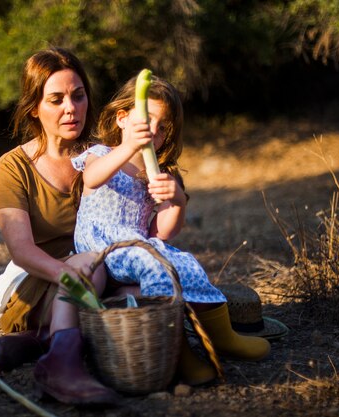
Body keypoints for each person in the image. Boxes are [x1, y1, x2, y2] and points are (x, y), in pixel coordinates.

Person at [71, 75, 271, 385]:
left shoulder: (159, 174)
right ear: (122, 118)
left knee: (185, 263)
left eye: (163, 127)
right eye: (147, 120)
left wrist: (176, 200)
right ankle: (177, 353)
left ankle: (223, 336)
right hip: (101, 245)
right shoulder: (102, 155)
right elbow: (92, 179)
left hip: (138, 247)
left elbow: (163, 232)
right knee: (154, 264)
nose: (154, 130)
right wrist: (127, 148)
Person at [0, 47, 119, 405]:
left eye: (78, 96)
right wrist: (72, 273)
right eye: (56, 99)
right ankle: (60, 367)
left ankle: (41, 341)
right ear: (34, 107)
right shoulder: (12, 167)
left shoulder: (101, 157)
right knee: (91, 268)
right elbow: (23, 252)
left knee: (136, 292)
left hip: (98, 271)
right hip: (36, 281)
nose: (70, 108)